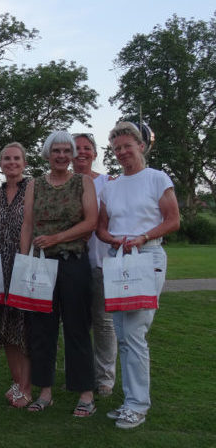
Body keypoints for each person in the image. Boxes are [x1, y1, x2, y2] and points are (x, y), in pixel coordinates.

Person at [97, 121, 179, 429]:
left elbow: (172, 220)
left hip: (147, 256)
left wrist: (143, 237)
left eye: (127, 146)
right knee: (123, 334)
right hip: (118, 259)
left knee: (134, 333)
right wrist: (112, 239)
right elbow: (102, 227)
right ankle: (131, 400)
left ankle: (137, 405)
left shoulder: (157, 178)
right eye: (116, 148)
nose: (121, 152)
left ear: (141, 147)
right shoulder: (111, 186)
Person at [20, 131, 98, 417]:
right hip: (41, 265)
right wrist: (24, 261)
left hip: (73, 262)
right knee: (42, 329)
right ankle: (44, 392)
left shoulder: (83, 182)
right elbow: (28, 225)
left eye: (67, 151)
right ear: (48, 154)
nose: (62, 156)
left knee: (77, 327)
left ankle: (86, 394)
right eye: (57, 151)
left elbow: (91, 221)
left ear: (72, 154)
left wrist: (56, 238)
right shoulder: (35, 184)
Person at [0, 142, 32, 408]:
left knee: (24, 329)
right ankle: (16, 383)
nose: (11, 163)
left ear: (24, 162)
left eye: (16, 158)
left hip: (23, 265)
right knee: (6, 328)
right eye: (6, 159)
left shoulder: (33, 188)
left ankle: (27, 387)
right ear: (0, 164)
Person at [72, 132, 116, 398]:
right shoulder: (64, 182)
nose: (81, 152)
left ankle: (105, 377)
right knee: (77, 323)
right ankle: (80, 373)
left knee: (104, 322)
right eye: (76, 148)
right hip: (73, 261)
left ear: (95, 153)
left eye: (87, 148)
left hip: (101, 261)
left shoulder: (108, 183)